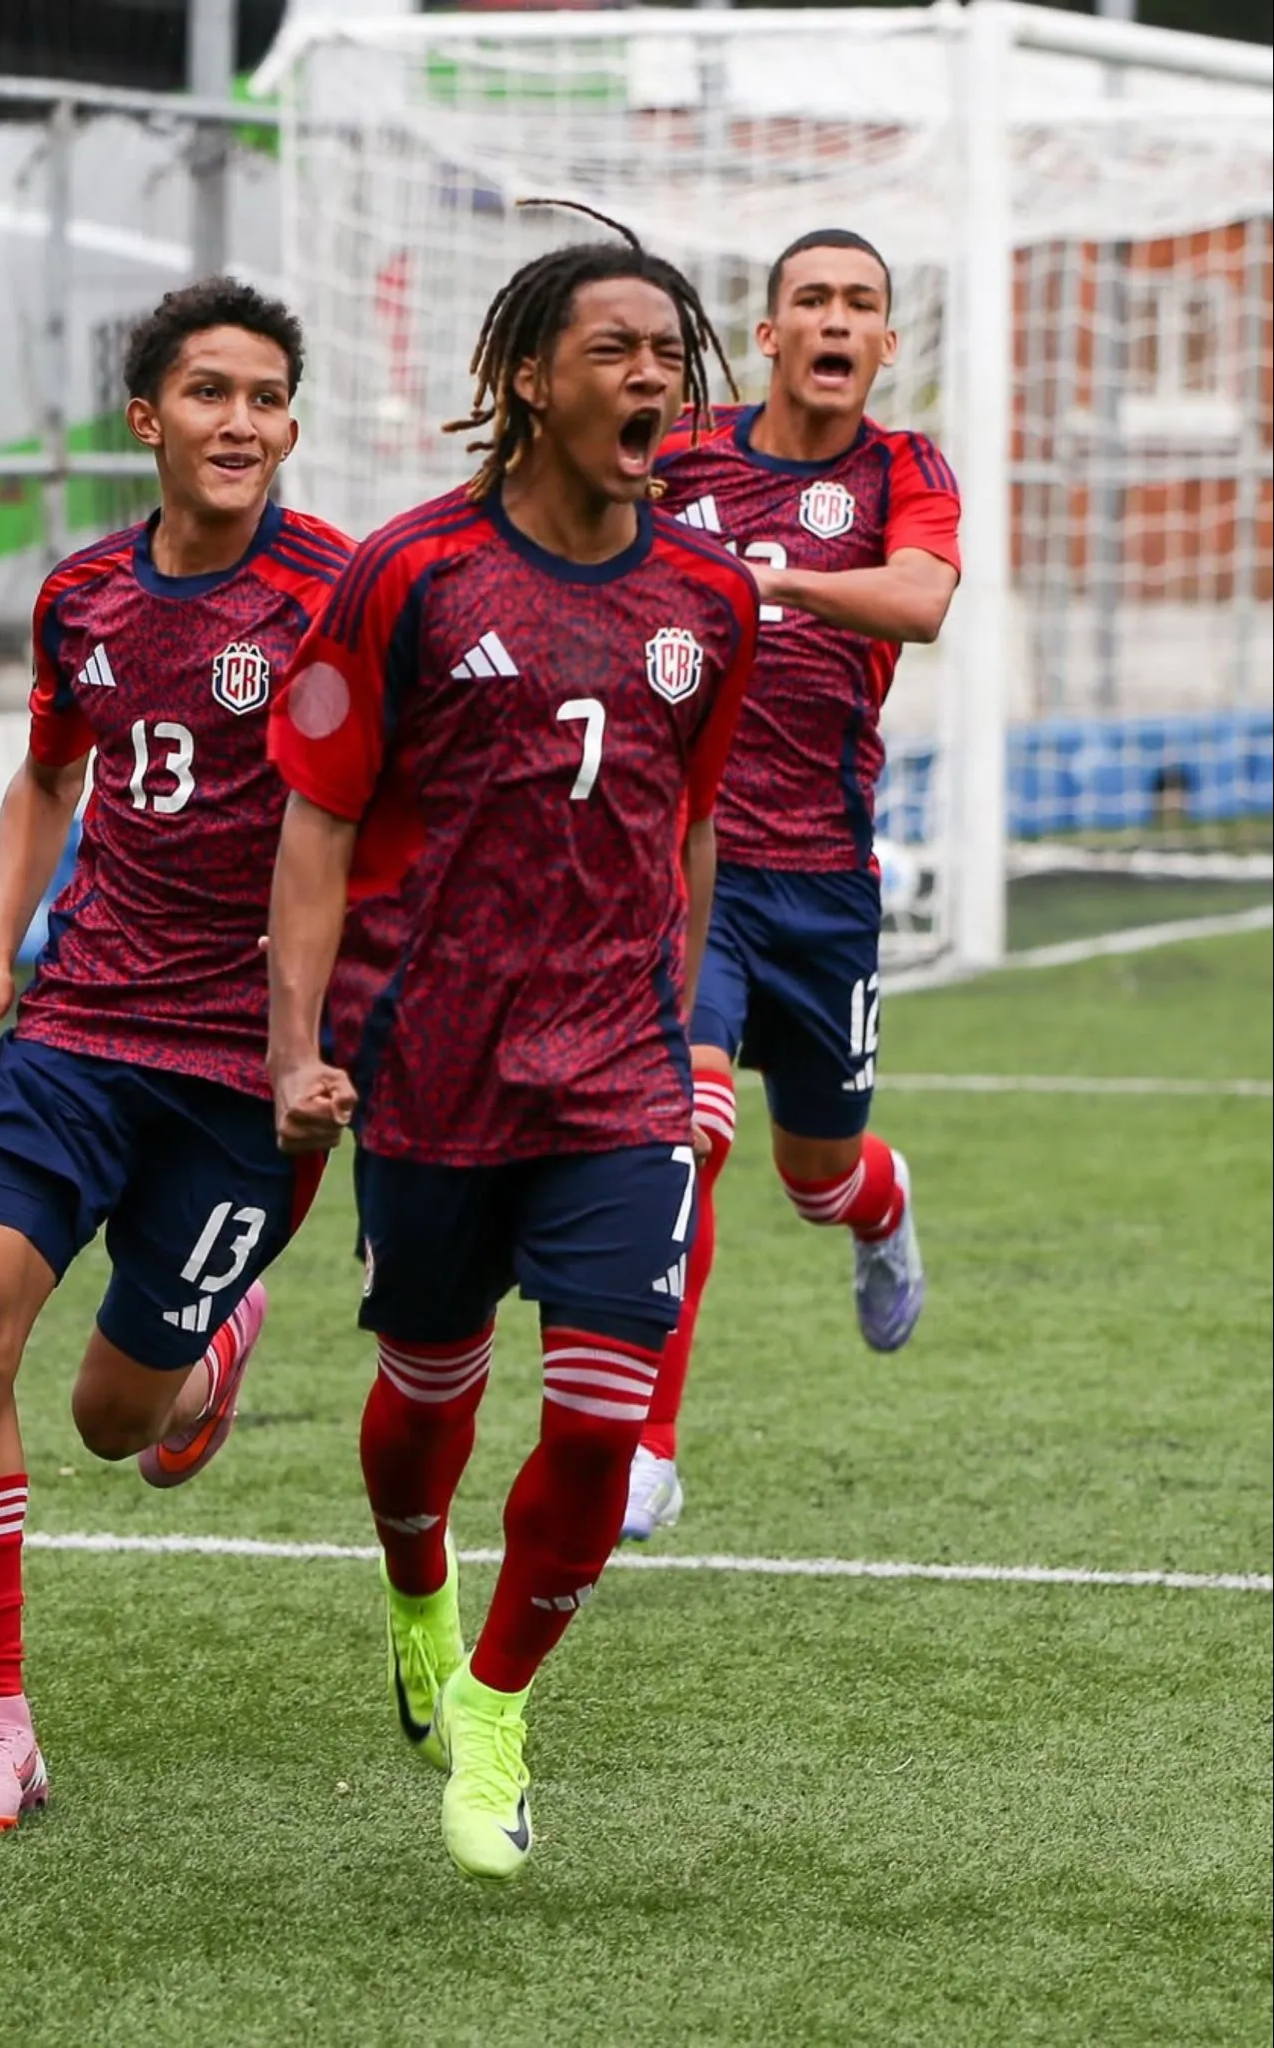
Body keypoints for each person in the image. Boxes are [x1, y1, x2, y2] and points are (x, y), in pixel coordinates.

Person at [264, 207, 760, 1882]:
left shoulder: (709, 594)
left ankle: (494, 1706)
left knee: (604, 1423)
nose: (653, 378)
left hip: (618, 1068)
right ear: (530, 381)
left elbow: (686, 828)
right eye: (614, 351)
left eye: (669, 357)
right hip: (429, 1065)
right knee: (423, 1395)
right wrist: (291, 1049)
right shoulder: (405, 574)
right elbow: (317, 826)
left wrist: (694, 1032)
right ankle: (417, 1584)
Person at [0, 278, 351, 1833]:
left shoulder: (341, 596)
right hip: (86, 1024)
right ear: (146, 420)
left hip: (253, 1068)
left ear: (292, 427)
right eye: (212, 394)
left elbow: (401, 813)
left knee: (115, 1418)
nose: (242, 422)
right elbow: (46, 773)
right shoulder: (83, 595)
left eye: (267, 399)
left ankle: (212, 1349)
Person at [621, 228, 961, 1543]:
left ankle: (879, 1208)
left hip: (823, 880)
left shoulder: (903, 469)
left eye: (859, 304)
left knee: (813, 1174)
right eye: (809, 300)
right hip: (681, 860)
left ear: (883, 344)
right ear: (765, 335)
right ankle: (649, 1445)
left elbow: (923, 600)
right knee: (684, 1126)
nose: (834, 319)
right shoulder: (681, 445)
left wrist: (772, 584)